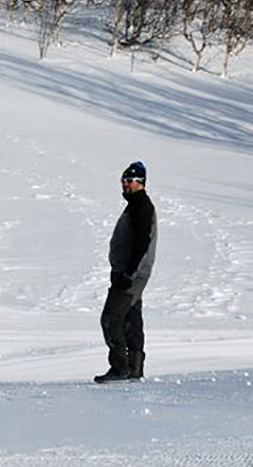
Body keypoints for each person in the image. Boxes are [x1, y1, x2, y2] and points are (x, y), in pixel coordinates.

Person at [95, 161, 157, 384]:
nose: (125, 185)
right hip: (129, 273)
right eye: (123, 180)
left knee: (111, 319)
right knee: (131, 320)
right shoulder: (136, 205)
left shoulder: (141, 206)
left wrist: (130, 272)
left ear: (141, 183)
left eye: (130, 181)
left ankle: (120, 368)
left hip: (131, 275)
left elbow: (143, 241)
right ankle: (134, 369)